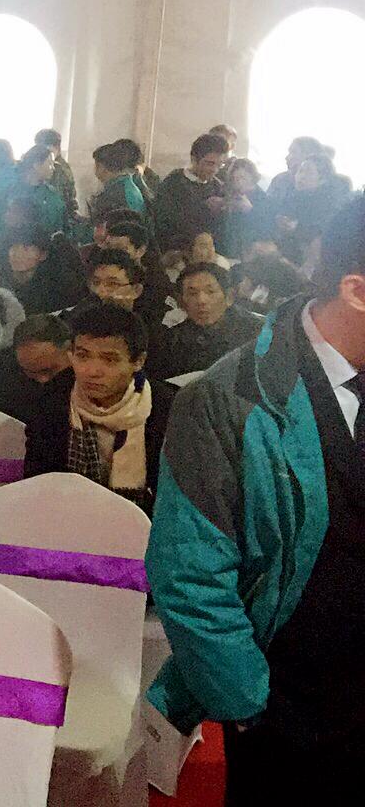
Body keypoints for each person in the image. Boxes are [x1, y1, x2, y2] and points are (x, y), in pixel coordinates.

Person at [147, 195, 364, 800]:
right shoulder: (228, 398)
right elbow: (189, 575)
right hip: (289, 709)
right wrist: (249, 705)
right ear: (356, 291)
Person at [23, 303, 173, 510]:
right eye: (82, 356)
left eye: (109, 360)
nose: (92, 371)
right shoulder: (52, 401)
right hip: (65, 516)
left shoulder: (167, 408)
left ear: (138, 361)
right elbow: (37, 483)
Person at [150, 261, 265, 381]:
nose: (201, 300)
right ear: (182, 302)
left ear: (229, 297)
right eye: (192, 293)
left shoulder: (258, 333)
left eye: (210, 292)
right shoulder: (171, 341)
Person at [0, 313, 73, 420]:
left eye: (49, 370)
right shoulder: (11, 390)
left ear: (72, 352)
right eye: (31, 372)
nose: (43, 380)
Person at [154, 133, 230, 253]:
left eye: (219, 164)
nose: (214, 170)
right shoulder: (174, 183)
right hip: (177, 251)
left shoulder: (217, 187)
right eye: (210, 163)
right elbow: (165, 222)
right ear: (194, 159)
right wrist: (204, 207)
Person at [0, 222, 88, 316]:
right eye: (13, 246)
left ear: (43, 255)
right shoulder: (0, 280)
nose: (17, 253)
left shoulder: (58, 287)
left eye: (26, 248)